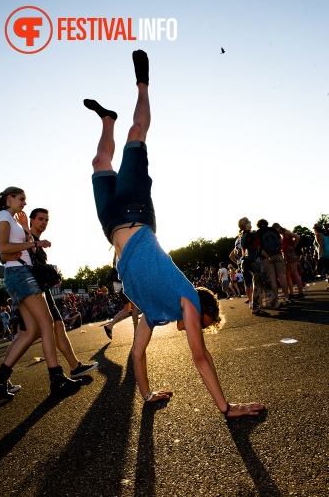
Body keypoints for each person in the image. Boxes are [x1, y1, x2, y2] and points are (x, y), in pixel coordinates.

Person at [85, 50, 264, 417]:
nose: (193, 330)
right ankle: (143, 84)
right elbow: (200, 358)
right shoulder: (187, 300)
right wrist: (227, 407)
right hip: (135, 211)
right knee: (137, 135)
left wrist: (147, 395)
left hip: (111, 223)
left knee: (99, 162)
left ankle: (107, 120)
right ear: (203, 311)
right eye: (205, 323)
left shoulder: (154, 313)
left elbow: (137, 354)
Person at [0, 188, 82, 399]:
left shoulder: (12, 219)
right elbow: (2, 247)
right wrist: (35, 241)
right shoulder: (3, 215)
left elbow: (18, 249)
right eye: (21, 199)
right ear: (10, 198)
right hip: (19, 275)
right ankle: (56, 378)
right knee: (47, 325)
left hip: (20, 273)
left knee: (32, 330)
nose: (25, 203)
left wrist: (26, 228)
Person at [0, 208, 98, 382]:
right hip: (31, 290)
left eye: (46, 220)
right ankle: (5, 375)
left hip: (39, 289)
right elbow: (3, 254)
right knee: (28, 333)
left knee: (52, 327)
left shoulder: (32, 238)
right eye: (40, 219)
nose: (44, 222)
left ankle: (73, 366)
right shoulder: (25, 235)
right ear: (31, 220)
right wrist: (8, 254)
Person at [238, 217, 278, 314]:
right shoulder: (251, 235)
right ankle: (258, 307)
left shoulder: (242, 236)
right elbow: (258, 249)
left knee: (262, 282)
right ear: (246, 225)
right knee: (260, 284)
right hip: (256, 262)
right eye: (249, 222)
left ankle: (273, 303)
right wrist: (268, 257)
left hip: (249, 262)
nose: (250, 222)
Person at [256, 219, 291, 304]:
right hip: (278, 254)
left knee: (272, 279)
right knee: (282, 276)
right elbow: (281, 241)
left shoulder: (258, 233)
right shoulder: (273, 230)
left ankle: (277, 299)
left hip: (267, 257)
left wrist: (266, 256)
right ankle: (287, 297)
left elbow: (259, 248)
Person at [272, 223, 304, 299]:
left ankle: (301, 292)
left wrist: (294, 246)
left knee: (295, 273)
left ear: (278, 228)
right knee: (287, 275)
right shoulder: (282, 234)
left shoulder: (286, 232)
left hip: (290, 253)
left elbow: (297, 236)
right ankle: (291, 293)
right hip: (286, 254)